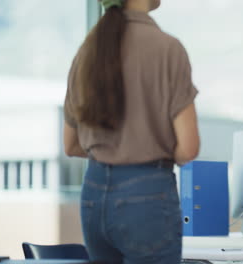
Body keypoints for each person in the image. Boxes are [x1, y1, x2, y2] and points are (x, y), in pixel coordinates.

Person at [62, 0, 200, 263]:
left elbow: (70, 145)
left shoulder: (86, 51)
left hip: (93, 191)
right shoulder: (167, 48)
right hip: (147, 192)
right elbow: (188, 148)